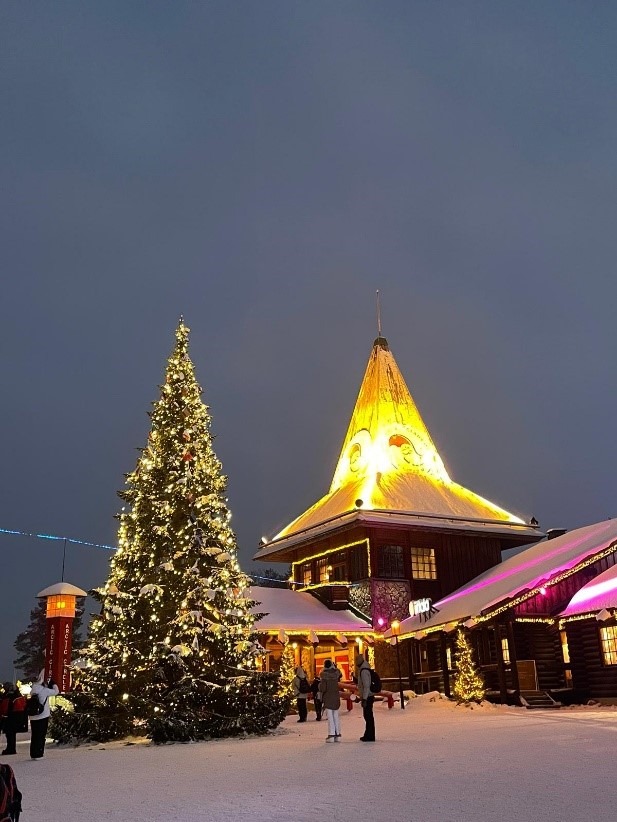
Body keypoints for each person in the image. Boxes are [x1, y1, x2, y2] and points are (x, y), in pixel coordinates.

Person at [29, 671, 59, 760]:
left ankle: (33, 753)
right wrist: (54, 684)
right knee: (41, 735)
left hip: (33, 716)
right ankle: (39, 753)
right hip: (42, 715)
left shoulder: (33, 691)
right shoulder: (44, 690)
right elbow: (56, 692)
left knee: (34, 735)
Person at [319, 659, 342, 742]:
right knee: (336, 716)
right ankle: (337, 734)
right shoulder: (336, 674)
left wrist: (319, 686)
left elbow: (323, 688)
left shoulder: (324, 676)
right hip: (335, 696)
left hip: (328, 697)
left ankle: (331, 734)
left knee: (330, 716)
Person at [0, 684, 26, 756]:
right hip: (18, 717)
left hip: (10, 717)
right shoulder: (19, 696)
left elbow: (4, 708)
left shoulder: (9, 697)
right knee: (12, 734)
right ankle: (11, 748)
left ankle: (10, 749)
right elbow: (24, 705)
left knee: (9, 734)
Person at [355, 654, 375, 742]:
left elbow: (366, 685)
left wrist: (364, 698)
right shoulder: (366, 669)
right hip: (369, 695)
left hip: (368, 696)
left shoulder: (363, 671)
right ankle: (369, 734)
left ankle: (369, 735)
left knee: (368, 716)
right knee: (368, 716)